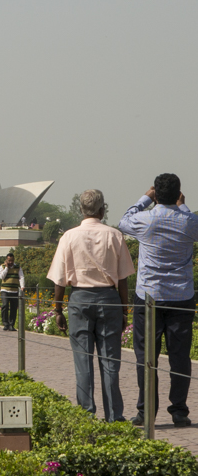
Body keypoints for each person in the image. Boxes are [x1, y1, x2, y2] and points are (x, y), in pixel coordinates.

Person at [48, 189, 134, 423]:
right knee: (110, 363)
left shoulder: (68, 236)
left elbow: (59, 280)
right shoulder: (114, 235)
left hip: (80, 299)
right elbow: (124, 278)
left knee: (83, 362)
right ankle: (114, 416)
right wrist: (124, 310)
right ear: (102, 210)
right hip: (109, 298)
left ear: (80, 210)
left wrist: (57, 310)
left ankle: (86, 416)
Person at [119, 174, 198, 427]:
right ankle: (179, 410)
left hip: (149, 297)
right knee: (180, 356)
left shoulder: (144, 219)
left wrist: (145, 199)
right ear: (178, 193)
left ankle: (146, 411)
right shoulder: (189, 221)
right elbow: (192, 222)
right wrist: (182, 206)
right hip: (181, 296)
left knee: (146, 356)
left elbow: (123, 222)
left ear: (156, 194)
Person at [0, 253, 25, 331]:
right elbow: (1, 276)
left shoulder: (18, 267)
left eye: (12, 260)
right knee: (5, 305)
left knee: (14, 308)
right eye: (9, 260)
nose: (10, 262)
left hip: (14, 291)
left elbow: (21, 277)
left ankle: (11, 324)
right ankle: (5, 323)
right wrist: (6, 268)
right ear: (6, 260)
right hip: (5, 290)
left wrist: (22, 286)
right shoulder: (2, 266)